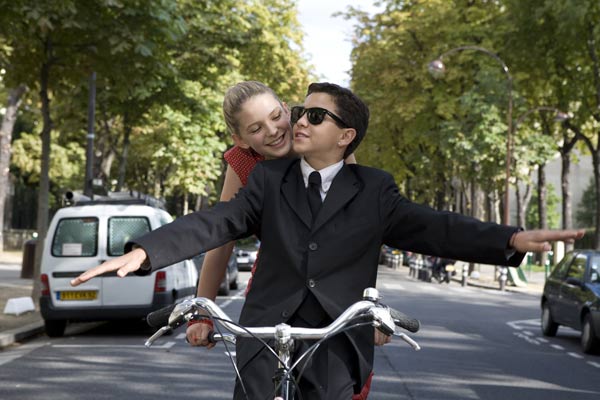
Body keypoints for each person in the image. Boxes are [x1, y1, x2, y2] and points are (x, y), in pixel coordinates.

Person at [71, 82, 584, 399]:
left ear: (345, 138)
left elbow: (432, 229)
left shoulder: (373, 186)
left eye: (308, 116)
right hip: (267, 316)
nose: (292, 123)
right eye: (299, 113)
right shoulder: (263, 179)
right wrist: (144, 252)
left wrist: (512, 237)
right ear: (242, 137)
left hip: (338, 331)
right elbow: (215, 225)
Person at [186, 80, 380, 398]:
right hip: (274, 287)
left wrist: (368, 307)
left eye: (276, 116)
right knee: (254, 387)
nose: (274, 130)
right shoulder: (244, 163)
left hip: (334, 284)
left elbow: (357, 236)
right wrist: (202, 313)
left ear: (288, 110)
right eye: (256, 128)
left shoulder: (329, 143)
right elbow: (221, 240)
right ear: (240, 139)